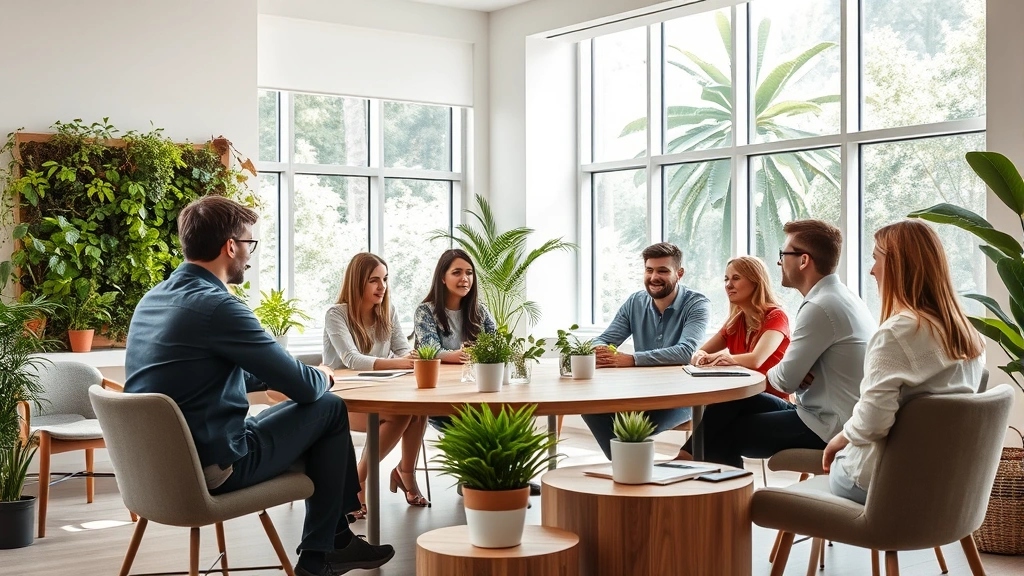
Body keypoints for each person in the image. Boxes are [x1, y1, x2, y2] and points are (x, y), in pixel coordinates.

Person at [124, 196, 394, 576]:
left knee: (312, 419)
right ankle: (324, 553)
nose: (250, 256)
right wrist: (324, 376)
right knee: (329, 408)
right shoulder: (219, 306)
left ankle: (334, 541)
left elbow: (208, 372)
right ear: (230, 246)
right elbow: (304, 388)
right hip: (213, 467)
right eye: (249, 244)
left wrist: (277, 373)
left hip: (157, 469)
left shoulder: (155, 298)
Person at [677, 220, 875, 466]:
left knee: (721, 431)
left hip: (826, 426)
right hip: (823, 413)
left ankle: (720, 495)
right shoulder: (842, 297)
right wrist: (795, 369)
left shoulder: (818, 307)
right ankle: (688, 460)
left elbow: (784, 380)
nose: (780, 262)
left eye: (783, 254)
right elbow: (790, 375)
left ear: (803, 261)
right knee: (726, 404)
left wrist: (793, 370)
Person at [823, 220, 984, 504]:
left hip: (883, 484)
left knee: (835, 461)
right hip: (944, 482)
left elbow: (873, 423)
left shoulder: (897, 333)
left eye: (876, 258)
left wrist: (839, 439)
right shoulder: (964, 333)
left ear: (899, 265)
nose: (872, 270)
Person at [582, 242, 711, 459]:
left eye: (663, 271)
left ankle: (634, 473)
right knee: (590, 408)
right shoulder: (635, 302)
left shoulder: (697, 304)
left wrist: (631, 359)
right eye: (649, 270)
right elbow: (606, 338)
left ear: (679, 273)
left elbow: (686, 351)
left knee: (626, 431)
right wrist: (594, 351)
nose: (654, 277)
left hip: (681, 397)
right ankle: (635, 471)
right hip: (639, 393)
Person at [323, 252, 429, 518]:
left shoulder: (387, 312)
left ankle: (399, 473)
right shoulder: (336, 314)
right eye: (374, 280)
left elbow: (404, 351)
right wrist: (400, 363)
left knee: (418, 409)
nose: (382, 287)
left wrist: (411, 359)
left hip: (377, 392)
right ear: (357, 282)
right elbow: (351, 359)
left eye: (385, 279)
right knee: (400, 414)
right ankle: (358, 482)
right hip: (342, 401)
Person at [690, 256, 791, 400]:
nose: (728, 285)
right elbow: (700, 352)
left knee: (720, 405)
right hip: (743, 396)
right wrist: (699, 357)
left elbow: (756, 360)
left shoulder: (776, 316)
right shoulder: (734, 322)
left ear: (755, 282)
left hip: (772, 398)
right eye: (726, 279)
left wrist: (721, 358)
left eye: (736, 278)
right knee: (718, 404)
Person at [413, 248, 496, 363]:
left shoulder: (481, 311)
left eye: (469, 273)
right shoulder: (425, 311)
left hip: (474, 377)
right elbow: (430, 351)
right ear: (443, 277)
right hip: (441, 377)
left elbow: (496, 348)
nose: (464, 278)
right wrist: (462, 355)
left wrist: (448, 355)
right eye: (457, 272)